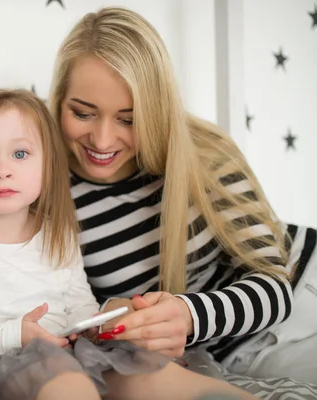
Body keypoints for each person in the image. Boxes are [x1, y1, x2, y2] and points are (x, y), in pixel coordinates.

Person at [0, 88, 258, 400]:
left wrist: (99, 321)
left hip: (69, 352)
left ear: (48, 164)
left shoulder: (57, 235)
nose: (2, 170)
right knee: (57, 378)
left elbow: (76, 305)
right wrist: (14, 333)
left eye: (20, 154)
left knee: (143, 372)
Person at [47, 5, 317, 386]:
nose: (103, 140)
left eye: (128, 119)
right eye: (83, 113)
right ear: (59, 100)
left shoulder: (203, 153)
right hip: (228, 355)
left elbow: (274, 286)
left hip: (304, 291)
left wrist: (189, 316)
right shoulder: (40, 187)